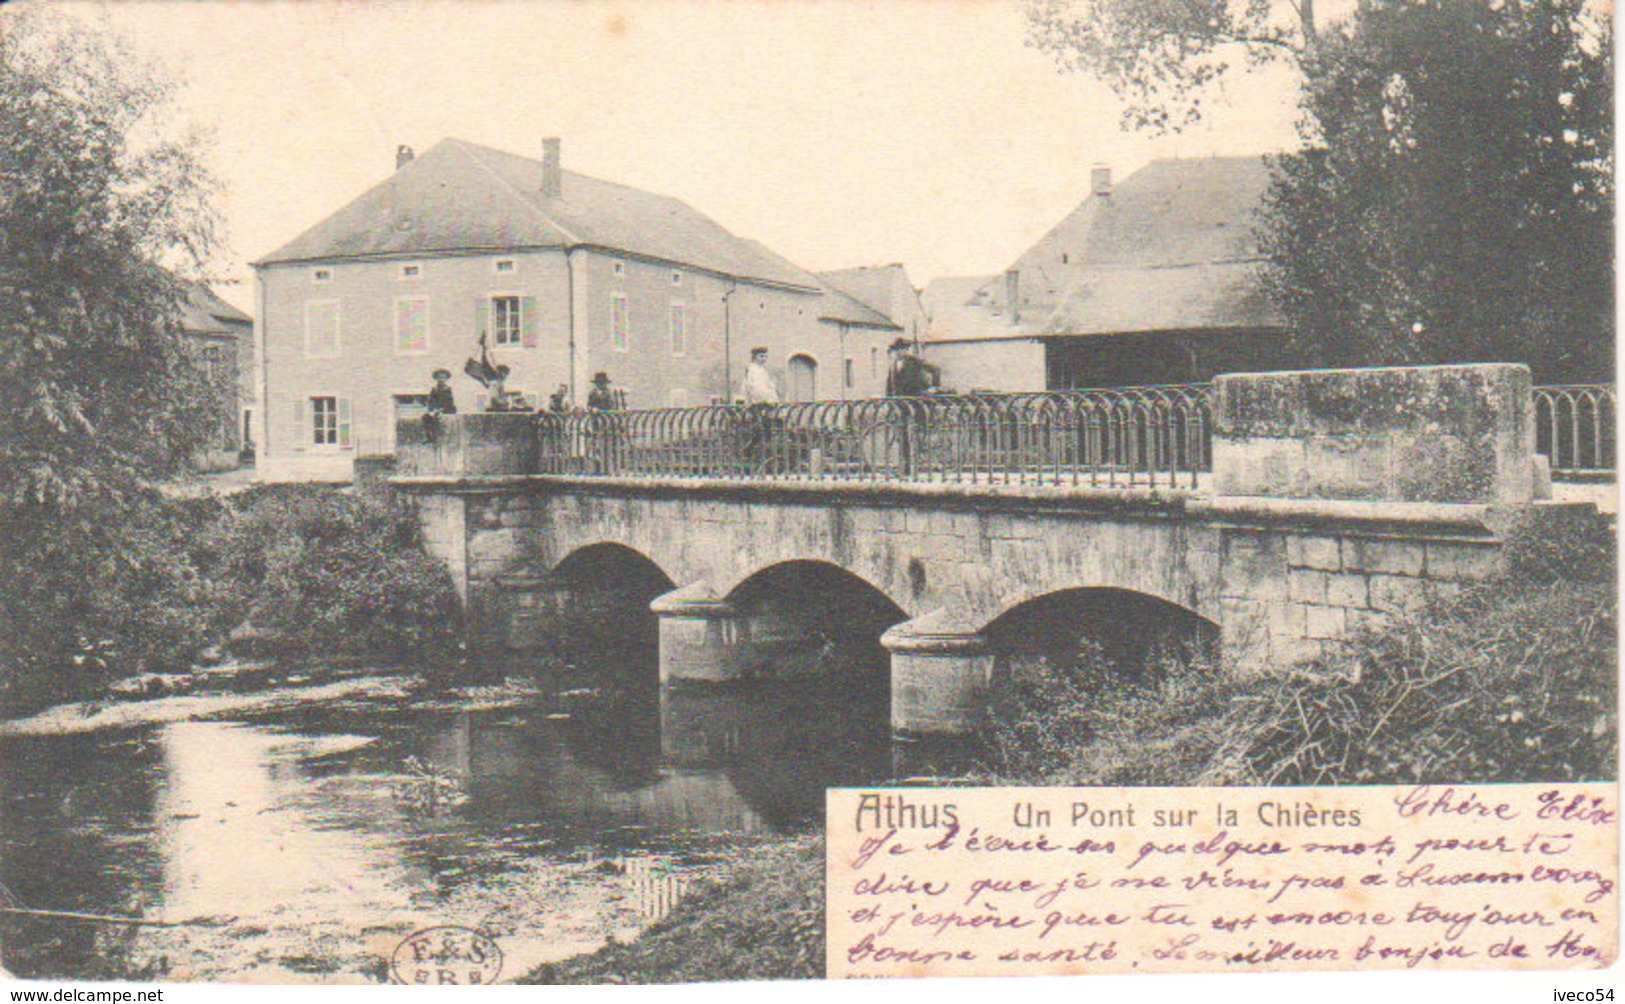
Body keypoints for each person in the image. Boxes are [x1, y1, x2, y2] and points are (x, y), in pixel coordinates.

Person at [425, 367, 456, 442]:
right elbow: (430, 401)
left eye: (443, 378)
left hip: (446, 410)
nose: (441, 380)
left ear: (446, 379)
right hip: (436, 411)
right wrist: (431, 410)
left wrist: (441, 410)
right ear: (436, 379)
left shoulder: (448, 390)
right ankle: (430, 437)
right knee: (426, 417)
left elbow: (450, 403)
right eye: (439, 378)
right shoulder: (434, 390)